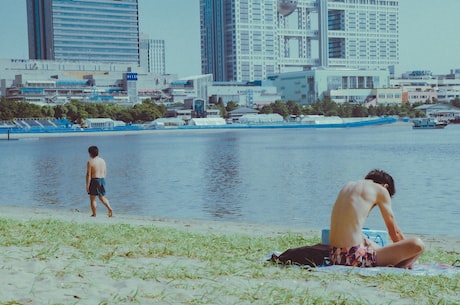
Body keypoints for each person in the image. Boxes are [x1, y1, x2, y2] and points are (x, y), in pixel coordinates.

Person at [328, 169, 424, 269]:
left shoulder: (348, 186)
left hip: (335, 256)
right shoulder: (381, 190)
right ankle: (404, 266)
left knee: (368, 241)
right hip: (354, 258)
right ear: (385, 186)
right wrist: (409, 253)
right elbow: (395, 233)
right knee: (418, 245)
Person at [86, 146, 113, 217]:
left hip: (94, 180)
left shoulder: (90, 162)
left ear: (90, 153)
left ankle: (94, 214)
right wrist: (102, 180)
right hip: (102, 179)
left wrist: (87, 185)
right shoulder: (102, 161)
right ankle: (109, 208)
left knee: (92, 198)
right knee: (101, 197)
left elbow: (88, 175)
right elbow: (105, 171)